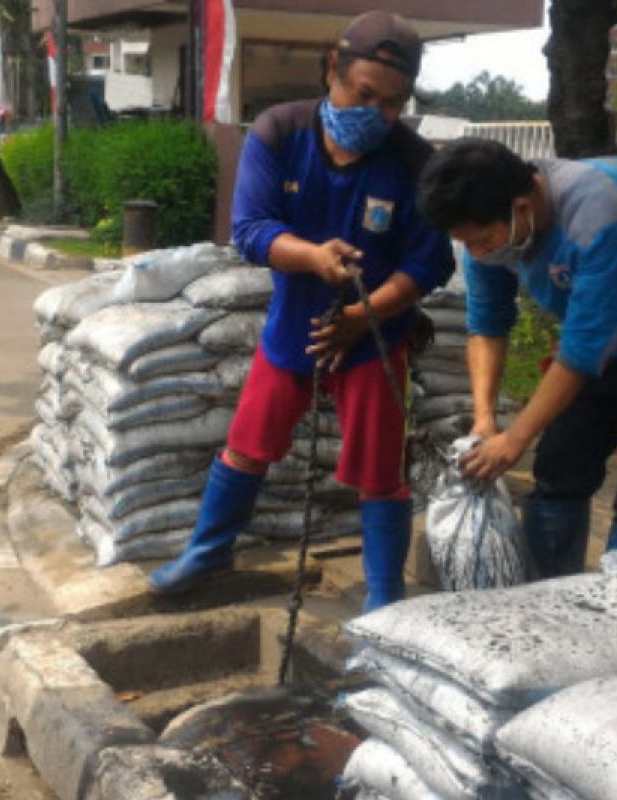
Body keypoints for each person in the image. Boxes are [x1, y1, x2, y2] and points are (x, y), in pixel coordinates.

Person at [150, 11, 455, 609]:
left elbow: (429, 265)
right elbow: (251, 229)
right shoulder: (279, 132)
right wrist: (313, 257)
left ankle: (384, 596)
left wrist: (364, 318)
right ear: (331, 71)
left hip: (375, 336)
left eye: (391, 103)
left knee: (381, 469)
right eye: (362, 94)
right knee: (248, 441)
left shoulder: (415, 162)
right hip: (295, 327)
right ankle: (208, 551)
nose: (374, 113)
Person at [417, 138, 617, 577]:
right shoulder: (487, 233)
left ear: (523, 206)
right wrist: (486, 419)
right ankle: (548, 597)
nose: (477, 253)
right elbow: (488, 323)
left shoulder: (600, 212)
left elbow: (584, 350)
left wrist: (514, 440)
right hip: (605, 328)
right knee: (560, 465)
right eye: (465, 243)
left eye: (482, 240)